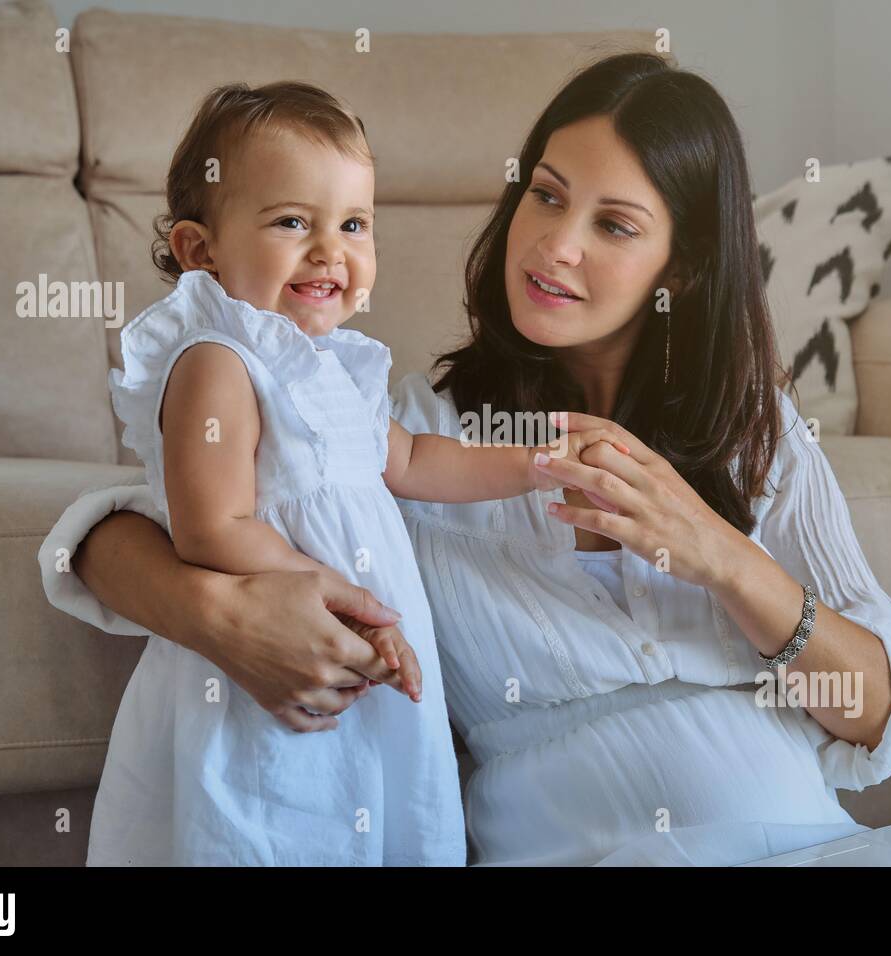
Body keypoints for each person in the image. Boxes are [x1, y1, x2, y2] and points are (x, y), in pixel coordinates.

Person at [41, 53, 891, 866]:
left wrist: (718, 554)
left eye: (615, 226)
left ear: (683, 269)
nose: (555, 244)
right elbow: (111, 537)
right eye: (546, 196)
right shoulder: (402, 431)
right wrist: (222, 619)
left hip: (815, 848)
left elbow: (883, 714)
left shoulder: (757, 433)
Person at [65, 80, 623, 866]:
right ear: (201, 249)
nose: (331, 250)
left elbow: (419, 460)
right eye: (293, 221)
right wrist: (340, 601)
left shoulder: (337, 369)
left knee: (366, 807)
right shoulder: (218, 364)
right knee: (272, 819)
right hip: (265, 671)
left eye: (353, 224)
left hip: (358, 672)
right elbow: (210, 527)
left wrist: (536, 461)